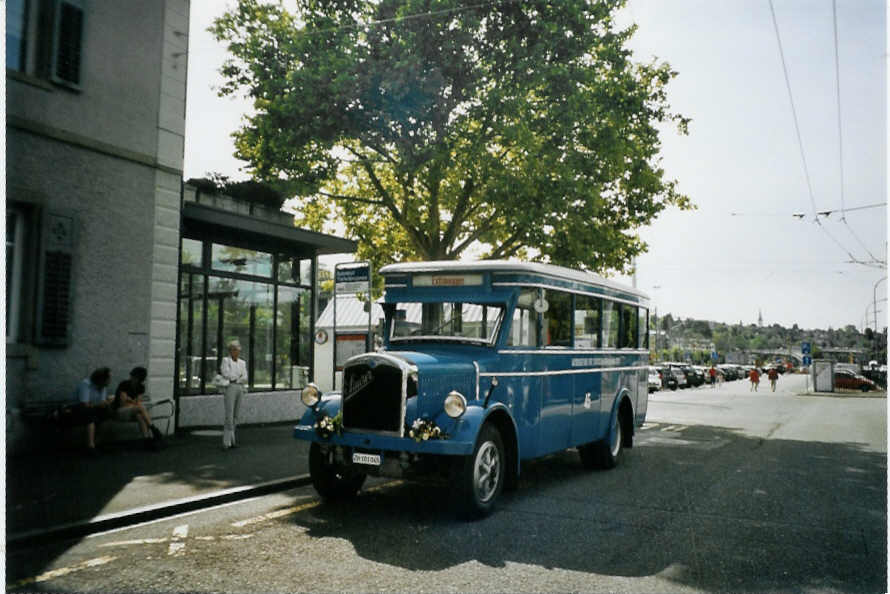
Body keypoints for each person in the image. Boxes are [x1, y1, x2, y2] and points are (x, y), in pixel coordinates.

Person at [113, 366, 164, 450]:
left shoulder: (141, 387)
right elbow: (122, 403)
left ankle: (147, 440)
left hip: (132, 411)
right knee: (140, 408)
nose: (133, 379)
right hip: (120, 411)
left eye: (136, 378)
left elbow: (137, 401)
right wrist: (133, 403)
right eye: (133, 376)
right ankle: (153, 429)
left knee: (140, 415)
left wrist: (130, 401)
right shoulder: (124, 385)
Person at [73, 367, 114, 454]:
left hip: (94, 409)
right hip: (80, 410)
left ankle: (97, 442)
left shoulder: (103, 387)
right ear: (102, 379)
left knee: (109, 413)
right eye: (109, 378)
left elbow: (102, 402)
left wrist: (107, 402)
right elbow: (84, 404)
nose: (110, 380)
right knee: (90, 415)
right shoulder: (86, 384)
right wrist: (100, 404)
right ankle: (90, 446)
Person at [219, 340, 248, 449]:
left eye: (237, 350)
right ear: (230, 351)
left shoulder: (242, 362)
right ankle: (226, 442)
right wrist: (237, 377)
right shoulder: (226, 361)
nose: (236, 352)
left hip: (240, 387)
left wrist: (238, 377)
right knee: (229, 414)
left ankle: (232, 439)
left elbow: (245, 376)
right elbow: (226, 374)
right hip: (230, 387)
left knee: (236, 414)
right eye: (234, 350)